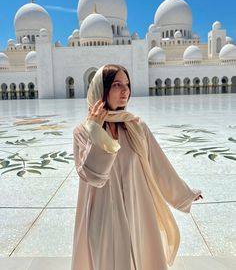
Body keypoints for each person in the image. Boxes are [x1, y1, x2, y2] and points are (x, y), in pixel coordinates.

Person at [71, 64, 203, 270]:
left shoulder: (136, 126)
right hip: (103, 213)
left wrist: (185, 193)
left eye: (127, 84)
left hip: (137, 207)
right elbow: (92, 175)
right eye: (116, 84)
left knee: (142, 257)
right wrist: (95, 130)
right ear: (101, 89)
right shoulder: (82, 131)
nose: (125, 91)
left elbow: (159, 165)